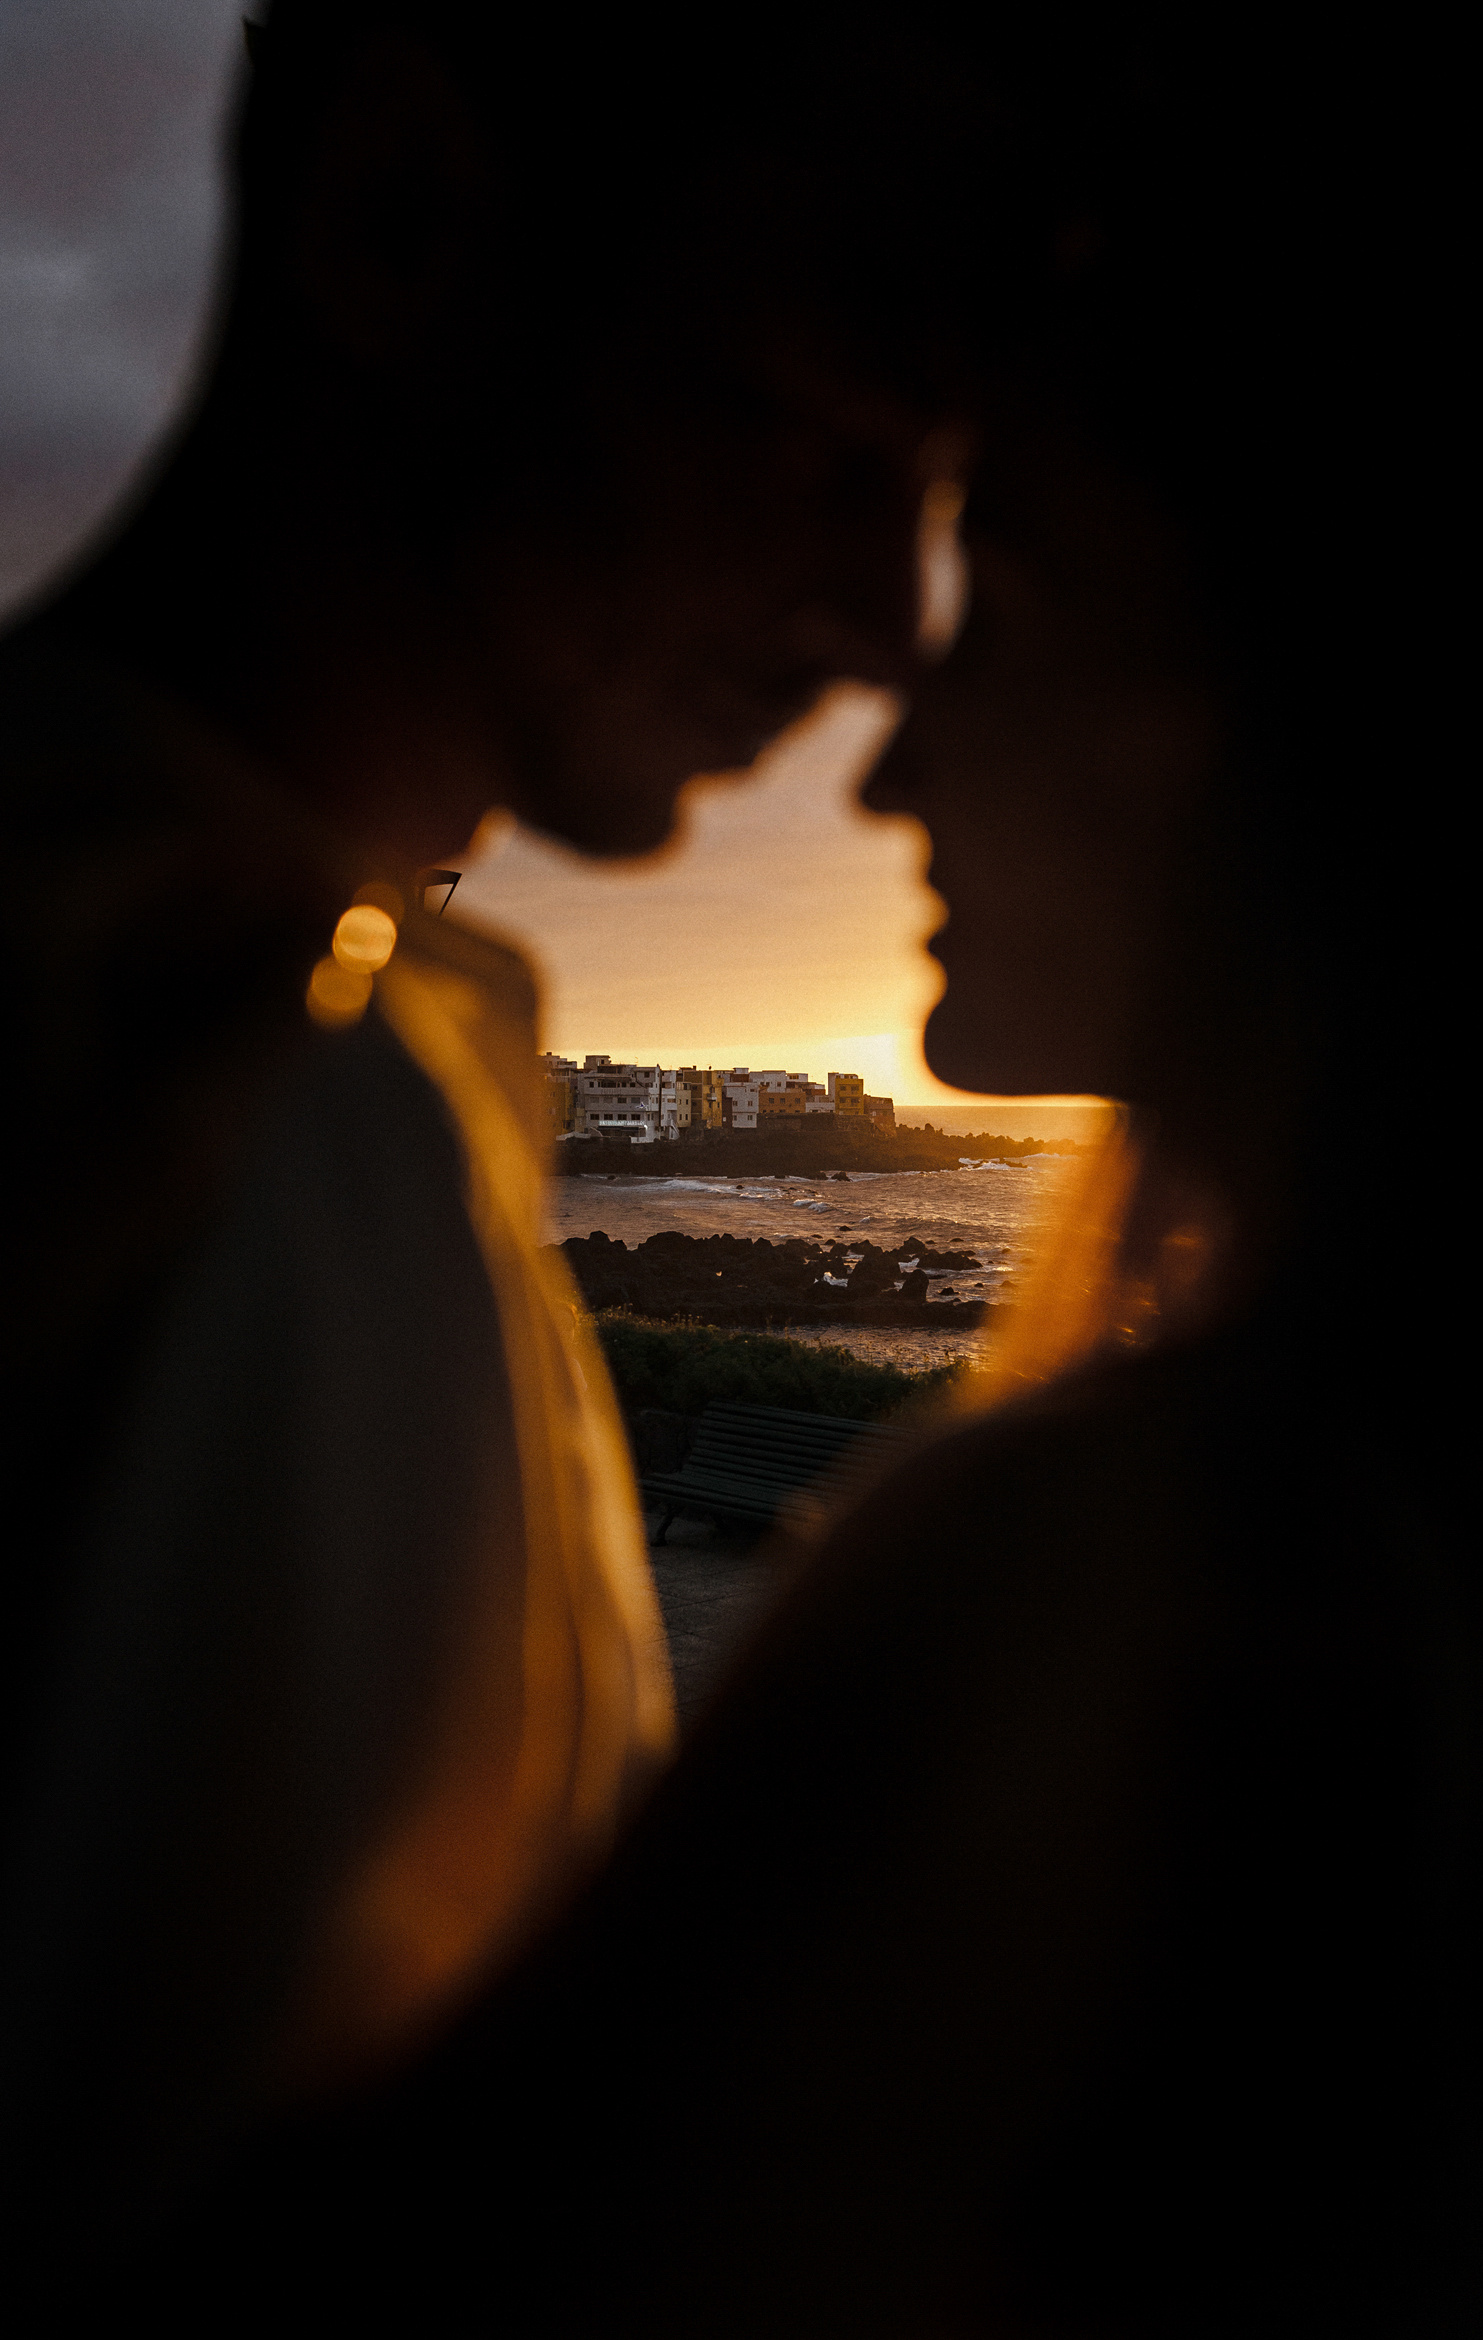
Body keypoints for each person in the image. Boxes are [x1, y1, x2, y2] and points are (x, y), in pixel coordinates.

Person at [158, 27, 1483, 2339]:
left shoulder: (1122, 1593)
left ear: (1314, 688)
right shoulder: (1395, 1550)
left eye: (1017, 582)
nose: (891, 716)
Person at [0, 1, 999, 2257]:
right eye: (829, 416)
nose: (883, 627)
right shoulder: (243, 1135)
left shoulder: (297, 1055)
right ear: (398, 221)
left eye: (938, 495)